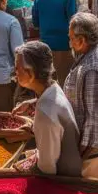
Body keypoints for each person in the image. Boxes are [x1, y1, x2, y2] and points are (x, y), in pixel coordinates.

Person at [14, 41, 82, 176]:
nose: (15, 72)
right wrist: (32, 102)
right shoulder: (54, 88)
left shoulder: (45, 113)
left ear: (31, 73)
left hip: (63, 178)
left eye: (17, 68)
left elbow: (47, 168)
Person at [63, 13, 98, 180]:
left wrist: (80, 155)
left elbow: (96, 120)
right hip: (91, 146)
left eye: (71, 37)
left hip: (91, 152)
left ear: (82, 40)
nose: (69, 42)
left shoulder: (92, 69)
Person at [32, 0, 78, 86]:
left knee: (48, 83)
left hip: (45, 45)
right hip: (64, 47)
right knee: (64, 83)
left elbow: (35, 22)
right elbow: (73, 22)